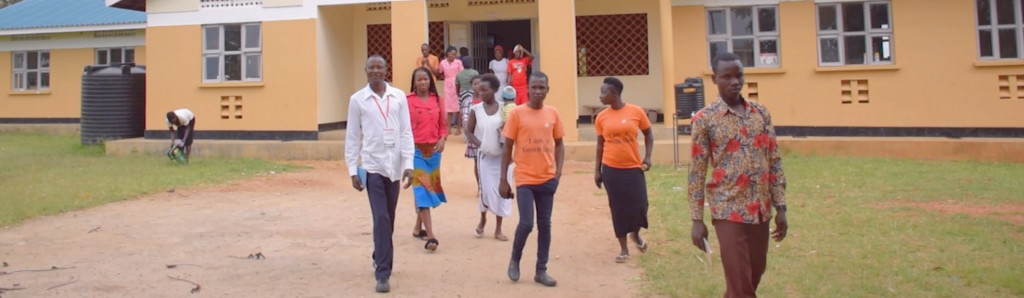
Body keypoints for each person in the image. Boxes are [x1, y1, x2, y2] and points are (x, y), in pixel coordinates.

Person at [689, 52, 788, 298]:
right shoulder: (705, 120)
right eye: (727, 76)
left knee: (754, 273)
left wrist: (781, 208)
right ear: (715, 79)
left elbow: (774, 160)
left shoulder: (761, 113)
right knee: (740, 282)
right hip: (728, 210)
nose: (735, 81)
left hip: (761, 211)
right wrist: (696, 220)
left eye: (739, 75)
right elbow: (697, 172)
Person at [345, 55, 415, 294]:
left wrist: (409, 164)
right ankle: (383, 272)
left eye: (380, 67)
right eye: (371, 67)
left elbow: (406, 132)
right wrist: (353, 169)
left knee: (389, 218)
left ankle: (379, 253)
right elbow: (353, 137)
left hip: (394, 167)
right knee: (381, 218)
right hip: (372, 166)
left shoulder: (398, 97)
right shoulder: (357, 100)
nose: (375, 70)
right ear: (365, 70)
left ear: (386, 70)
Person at [500, 71, 563, 287]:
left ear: (547, 90)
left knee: (545, 225)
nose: (537, 91)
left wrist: (558, 174)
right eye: (534, 87)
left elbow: (560, 144)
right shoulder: (517, 114)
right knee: (526, 223)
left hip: (547, 178)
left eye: (542, 88)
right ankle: (515, 260)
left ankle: (541, 270)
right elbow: (507, 145)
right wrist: (503, 179)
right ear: (527, 88)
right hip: (525, 178)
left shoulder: (553, 113)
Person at [592, 77, 654, 263]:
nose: (600, 95)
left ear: (614, 93)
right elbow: (599, 146)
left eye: (603, 92)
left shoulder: (636, 112)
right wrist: (597, 170)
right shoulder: (602, 117)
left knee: (640, 206)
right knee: (618, 208)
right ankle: (623, 248)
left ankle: (635, 235)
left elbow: (648, 133)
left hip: (633, 168)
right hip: (612, 169)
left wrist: (648, 156)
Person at [406, 67, 448, 251]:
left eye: (426, 79)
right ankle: (430, 236)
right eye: (419, 79)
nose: (423, 82)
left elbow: (443, 126)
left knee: (429, 187)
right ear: (414, 82)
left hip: (434, 152)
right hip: (415, 151)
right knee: (423, 189)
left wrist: (443, 139)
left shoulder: (438, 101)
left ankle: (417, 228)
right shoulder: (407, 102)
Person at [466, 74, 512, 242]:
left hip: (503, 158)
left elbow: (513, 129)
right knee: (485, 192)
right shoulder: (475, 110)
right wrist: (481, 144)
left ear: (494, 90)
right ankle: (483, 218)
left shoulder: (505, 108)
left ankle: (498, 228)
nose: (482, 92)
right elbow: (469, 132)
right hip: (485, 157)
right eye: (480, 90)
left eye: (485, 90)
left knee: (501, 192)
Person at [459, 75, 484, 194]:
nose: (477, 86)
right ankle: (480, 186)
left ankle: (487, 186)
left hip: (486, 135)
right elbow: (464, 115)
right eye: (475, 84)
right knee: (477, 161)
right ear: (471, 86)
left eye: (479, 84)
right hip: (473, 135)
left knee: (487, 162)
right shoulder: (467, 100)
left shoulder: (488, 99)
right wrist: (467, 130)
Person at [439, 46, 465, 136]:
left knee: (458, 108)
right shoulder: (443, 62)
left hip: (457, 85)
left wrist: (459, 84)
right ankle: (448, 129)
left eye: (455, 54)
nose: (453, 56)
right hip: (447, 85)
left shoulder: (458, 62)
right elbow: (440, 72)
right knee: (449, 108)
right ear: (447, 53)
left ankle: (458, 129)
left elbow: (461, 74)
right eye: (452, 54)